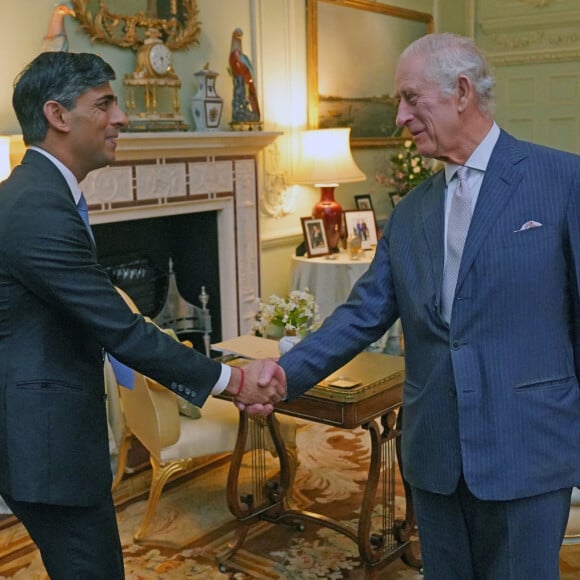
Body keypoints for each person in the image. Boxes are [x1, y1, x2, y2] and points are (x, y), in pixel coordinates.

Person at [248, 33, 580, 579]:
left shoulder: (561, 181)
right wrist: (282, 375)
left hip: (530, 448)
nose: (400, 116)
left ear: (462, 92)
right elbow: (361, 315)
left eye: (410, 98)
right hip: (435, 454)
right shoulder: (410, 213)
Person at [0, 51, 285, 579]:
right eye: (104, 104)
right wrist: (233, 381)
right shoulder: (36, 207)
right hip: (44, 443)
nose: (122, 118)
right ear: (58, 116)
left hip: (44, 436)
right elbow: (119, 329)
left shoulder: (38, 196)